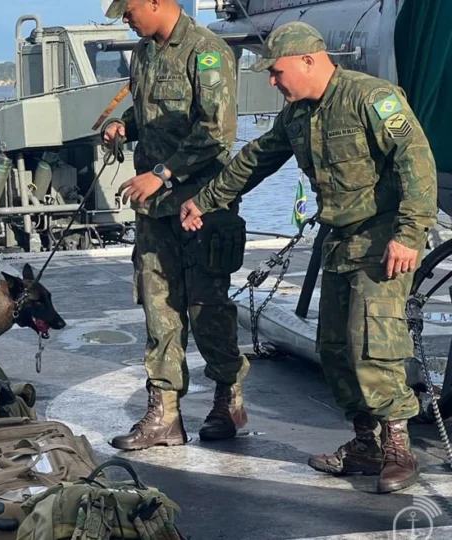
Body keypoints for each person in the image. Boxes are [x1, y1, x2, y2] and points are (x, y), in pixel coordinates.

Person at [180, 21, 437, 493]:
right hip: (339, 243)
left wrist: (410, 232)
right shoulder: (297, 116)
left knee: (371, 342)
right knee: (335, 348)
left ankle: (399, 447)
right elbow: (256, 158)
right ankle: (366, 444)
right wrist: (206, 199)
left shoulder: (372, 98)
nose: (273, 83)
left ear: (309, 60)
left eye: (277, 73)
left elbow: (415, 160)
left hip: (382, 242)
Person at [100, 0, 251, 451]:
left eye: (128, 11)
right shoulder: (144, 53)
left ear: (155, 2)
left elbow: (215, 133)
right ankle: (164, 413)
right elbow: (150, 114)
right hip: (155, 212)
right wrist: (122, 127)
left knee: (208, 310)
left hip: (200, 205)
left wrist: (162, 174)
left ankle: (229, 397)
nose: (125, 20)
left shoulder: (207, 52)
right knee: (158, 308)